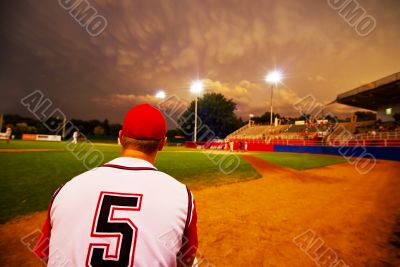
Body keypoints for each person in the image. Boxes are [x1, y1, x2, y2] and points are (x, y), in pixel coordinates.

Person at [34, 104, 198, 267]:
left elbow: (46, 257)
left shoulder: (65, 190)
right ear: (162, 143)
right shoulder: (181, 196)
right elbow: (186, 261)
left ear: (120, 137)